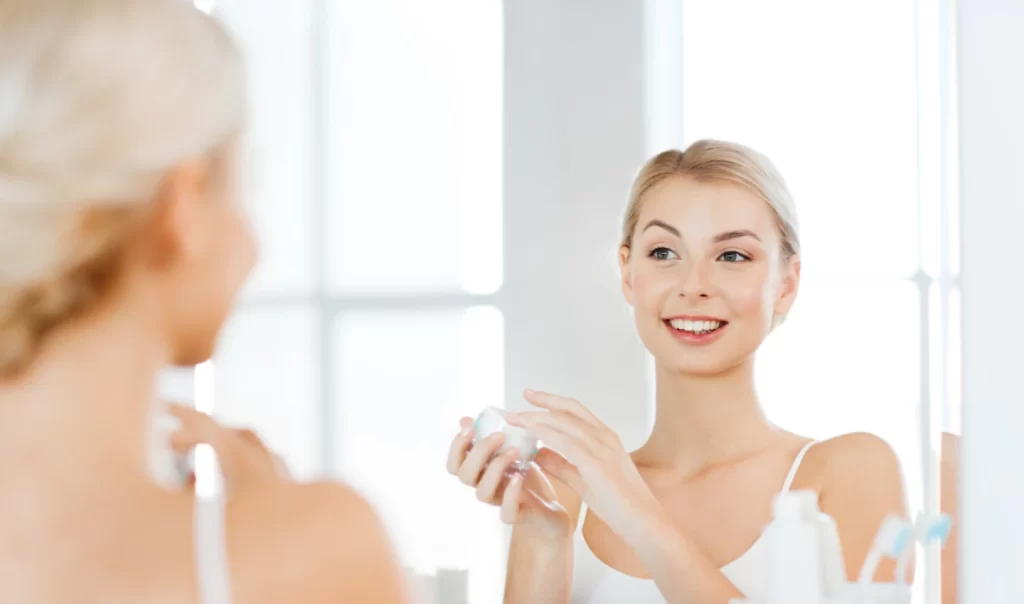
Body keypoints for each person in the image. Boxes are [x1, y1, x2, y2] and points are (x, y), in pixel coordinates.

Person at [0, 1, 408, 602]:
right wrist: (270, 518)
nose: (251, 244)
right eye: (240, 186)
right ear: (183, 208)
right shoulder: (310, 552)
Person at [447, 140, 912, 603]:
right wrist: (542, 535)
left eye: (732, 256)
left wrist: (638, 515)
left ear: (786, 285)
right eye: (665, 253)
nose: (694, 286)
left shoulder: (849, 469)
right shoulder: (569, 499)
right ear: (628, 275)